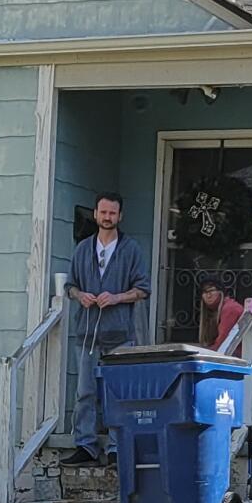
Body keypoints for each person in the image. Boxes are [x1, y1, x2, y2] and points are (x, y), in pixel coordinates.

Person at [67, 193, 149, 459]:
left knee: (118, 394)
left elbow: (143, 290)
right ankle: (85, 445)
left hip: (120, 335)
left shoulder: (130, 249)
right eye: (103, 212)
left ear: (120, 216)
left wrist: (116, 297)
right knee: (85, 393)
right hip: (87, 333)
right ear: (95, 214)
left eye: (112, 213)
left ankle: (116, 447)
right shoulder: (83, 249)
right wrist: (81, 296)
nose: (107, 217)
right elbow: (70, 286)